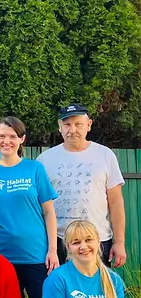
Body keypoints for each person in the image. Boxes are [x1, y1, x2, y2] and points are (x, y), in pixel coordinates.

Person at [0, 116, 59, 298]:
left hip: (36, 256)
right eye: (1, 136)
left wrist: (52, 250)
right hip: (1, 258)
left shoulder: (35, 169)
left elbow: (49, 213)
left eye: (12, 136)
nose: (6, 141)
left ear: (22, 139)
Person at [36, 103, 126, 268]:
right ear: (60, 127)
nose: (72, 129)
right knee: (61, 291)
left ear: (89, 125)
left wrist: (119, 242)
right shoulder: (44, 160)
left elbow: (115, 202)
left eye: (78, 124)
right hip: (58, 240)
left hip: (97, 240)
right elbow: (39, 205)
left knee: (97, 291)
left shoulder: (105, 155)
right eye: (67, 124)